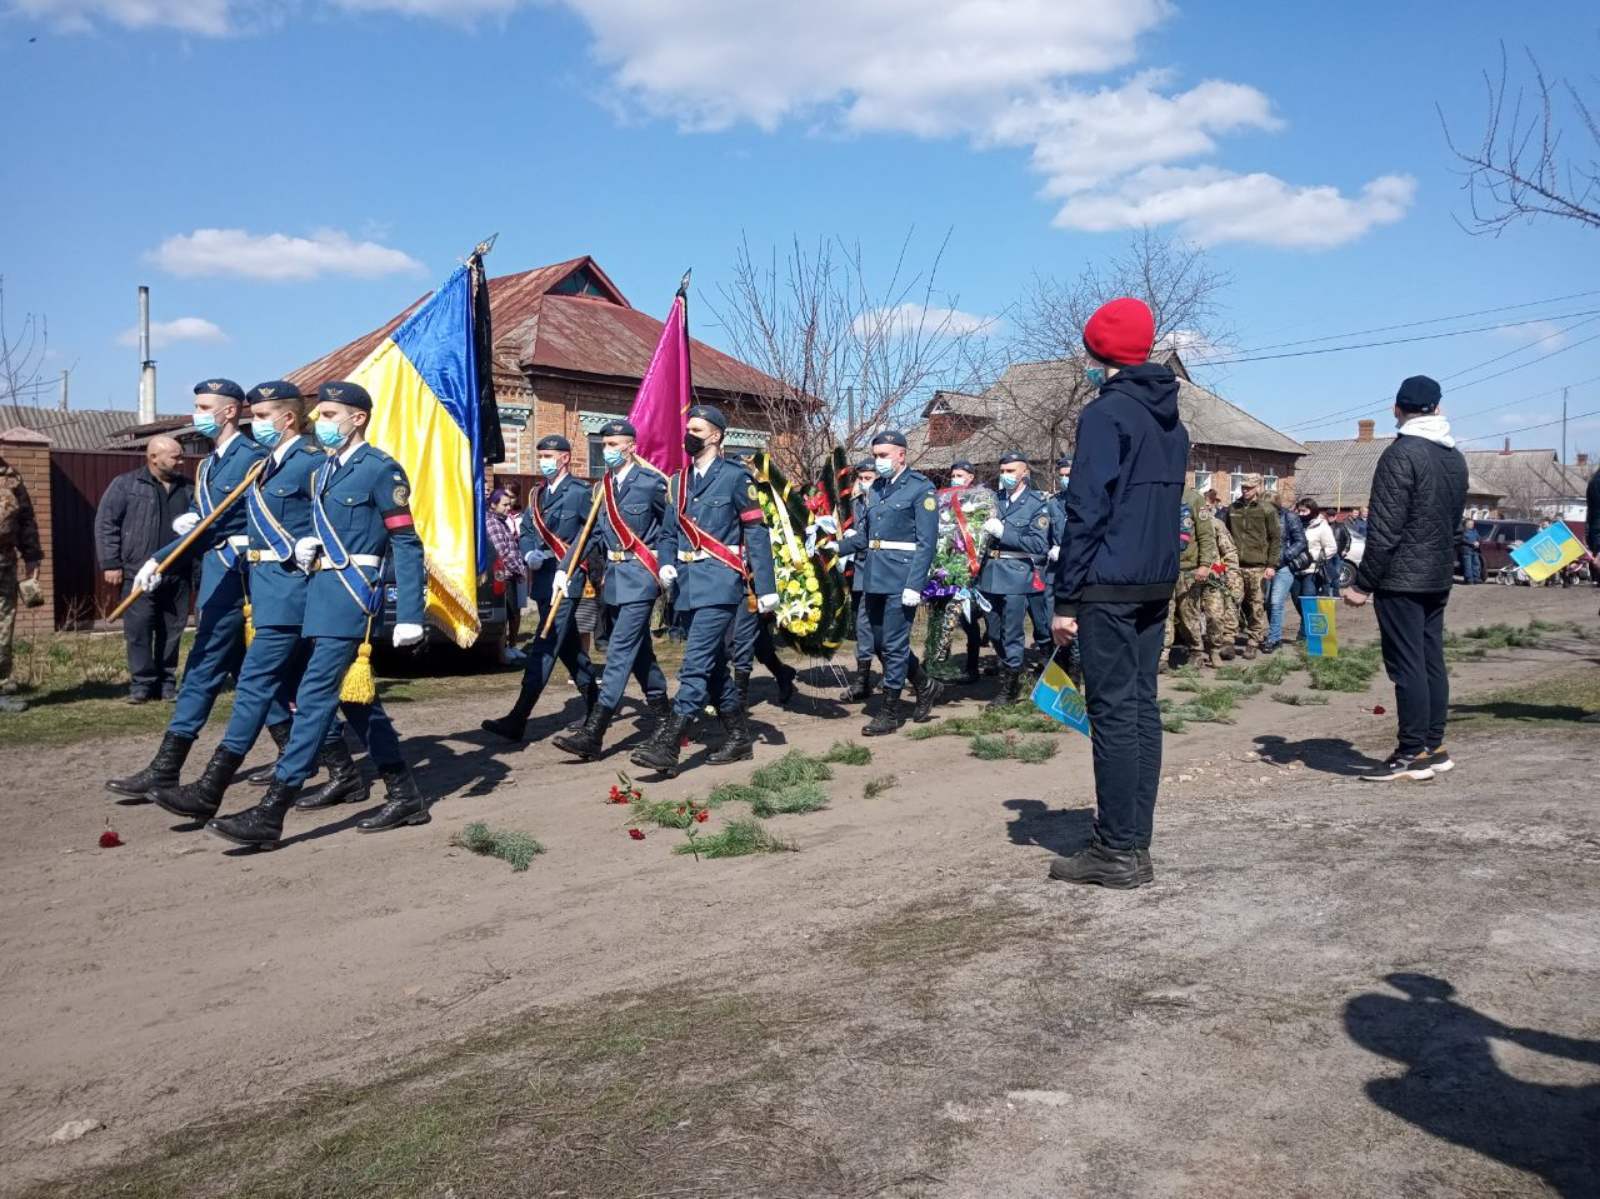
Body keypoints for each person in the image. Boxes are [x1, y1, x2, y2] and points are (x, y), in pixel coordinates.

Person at [206, 380, 430, 846]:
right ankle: (404, 792)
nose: (320, 424)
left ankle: (273, 811)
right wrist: (305, 546)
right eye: (320, 415)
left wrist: (411, 611)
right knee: (356, 702)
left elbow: (406, 543)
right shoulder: (324, 471)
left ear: (358, 418)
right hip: (317, 595)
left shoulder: (380, 470)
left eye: (329, 416)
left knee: (313, 699)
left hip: (350, 598)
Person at [146, 381, 380, 824]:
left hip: (300, 591)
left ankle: (215, 789)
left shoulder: (312, 463)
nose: (254, 424)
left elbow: (339, 518)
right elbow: (241, 524)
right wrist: (164, 556)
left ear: (287, 418)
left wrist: (309, 541)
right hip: (266, 590)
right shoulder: (266, 466)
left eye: (259, 415)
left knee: (271, 686)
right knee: (298, 689)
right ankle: (354, 771)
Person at [1048, 296, 1188, 890]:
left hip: (1107, 581)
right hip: (1154, 579)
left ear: (1096, 350)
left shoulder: (1106, 416)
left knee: (1111, 714)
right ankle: (1135, 842)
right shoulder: (1170, 419)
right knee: (1139, 708)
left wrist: (1066, 598)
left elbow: (1086, 508)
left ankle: (1116, 850)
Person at [105, 379, 270, 798]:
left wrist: (159, 557)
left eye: (203, 406)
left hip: (242, 580)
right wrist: (165, 552)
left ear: (229, 411)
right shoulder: (210, 463)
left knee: (246, 672)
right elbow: (201, 518)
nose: (196, 413)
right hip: (217, 575)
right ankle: (166, 766)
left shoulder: (250, 458)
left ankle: (331, 760)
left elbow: (226, 522)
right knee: (212, 667)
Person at [629, 405, 778, 775]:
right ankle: (739, 736)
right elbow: (667, 532)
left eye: (696, 429)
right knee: (712, 669)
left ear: (715, 436)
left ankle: (669, 743)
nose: (688, 434)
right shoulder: (678, 482)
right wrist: (665, 561)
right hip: (688, 586)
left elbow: (756, 534)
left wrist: (766, 585)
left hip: (721, 583)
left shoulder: (736, 478)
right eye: (688, 428)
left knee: (694, 664)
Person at [1344, 375, 1468, 783]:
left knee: (1407, 666)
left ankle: (1412, 752)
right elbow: (1454, 525)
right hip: (1437, 574)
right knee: (1432, 660)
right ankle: (1435, 745)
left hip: (1401, 578)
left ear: (1397, 409)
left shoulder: (1401, 454)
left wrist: (1363, 584)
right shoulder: (1454, 456)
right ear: (1437, 408)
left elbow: (1384, 531)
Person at [551, 420, 674, 761]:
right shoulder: (600, 489)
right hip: (614, 580)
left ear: (631, 446)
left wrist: (666, 563)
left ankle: (594, 733)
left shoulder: (651, 485)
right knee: (640, 653)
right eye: (604, 445)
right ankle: (666, 715)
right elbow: (588, 535)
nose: (608, 451)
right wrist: (564, 570)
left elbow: (670, 529)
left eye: (614, 444)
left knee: (619, 651)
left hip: (641, 577)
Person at [481, 435, 600, 742]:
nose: (543, 460)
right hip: (544, 580)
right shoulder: (537, 494)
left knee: (544, 646)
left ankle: (518, 719)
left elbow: (591, 536)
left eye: (548, 455)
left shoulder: (579, 493)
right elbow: (530, 531)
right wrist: (530, 552)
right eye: (540, 455)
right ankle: (598, 708)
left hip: (567, 580)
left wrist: (566, 567)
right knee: (572, 651)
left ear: (564, 458)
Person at [834, 430, 941, 736]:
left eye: (883, 455)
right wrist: (833, 547)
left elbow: (927, 543)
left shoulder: (921, 489)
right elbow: (866, 537)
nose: (878, 461)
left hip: (902, 578)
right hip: (875, 577)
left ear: (901, 455)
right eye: (876, 455)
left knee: (893, 646)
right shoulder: (877, 489)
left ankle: (890, 711)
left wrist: (914, 584)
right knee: (880, 643)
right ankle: (925, 683)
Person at [94, 436, 195, 704]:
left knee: (172, 630)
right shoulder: (126, 485)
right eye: (175, 456)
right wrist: (111, 563)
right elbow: (107, 524)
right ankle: (142, 684)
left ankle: (167, 683)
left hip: (178, 573)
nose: (181, 461)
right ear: (153, 457)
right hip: (137, 572)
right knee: (138, 630)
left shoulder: (188, 488)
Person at [977, 452, 1052, 707]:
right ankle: (1012, 670)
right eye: (1003, 471)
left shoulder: (1036, 504)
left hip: (1017, 573)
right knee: (995, 631)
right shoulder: (992, 500)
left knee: (1012, 632)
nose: (1006, 476)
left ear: (1024, 474)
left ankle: (1010, 687)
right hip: (989, 574)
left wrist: (1004, 532)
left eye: (1011, 471)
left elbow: (1038, 544)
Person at [0, 451, 44, 713]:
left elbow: (26, 520)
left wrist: (32, 557)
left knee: (3, 630)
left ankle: (2, 689)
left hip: (3, 566)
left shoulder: (10, 477)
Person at [1163, 482, 1218, 667]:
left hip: (1188, 568)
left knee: (1189, 613)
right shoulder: (1159, 494)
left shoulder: (1194, 498)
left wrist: (1204, 565)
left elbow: (1206, 535)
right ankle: (1162, 655)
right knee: (1164, 613)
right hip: (1163, 568)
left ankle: (1196, 650)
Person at [1226, 474, 1280, 659]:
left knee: (1256, 605)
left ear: (1258, 487)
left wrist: (1271, 564)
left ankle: (1253, 641)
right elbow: (1225, 534)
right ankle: (1228, 641)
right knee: (1232, 601)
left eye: (1249, 487)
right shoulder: (1233, 508)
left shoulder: (1267, 510)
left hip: (1258, 566)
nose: (1245, 490)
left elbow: (1275, 539)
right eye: (1243, 487)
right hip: (1235, 565)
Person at [844, 461, 880, 700]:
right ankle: (862, 681)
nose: (864, 482)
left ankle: (895, 673)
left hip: (880, 571)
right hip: (859, 572)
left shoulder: (883, 503)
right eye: (861, 477)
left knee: (882, 628)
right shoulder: (854, 504)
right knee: (863, 626)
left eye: (869, 477)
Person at [946, 460, 984, 685]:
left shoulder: (979, 500)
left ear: (970, 478)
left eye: (960, 475)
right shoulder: (946, 500)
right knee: (946, 617)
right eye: (953, 474)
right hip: (948, 566)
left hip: (972, 567)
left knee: (970, 618)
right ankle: (941, 663)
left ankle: (972, 667)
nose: (955, 478)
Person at [484, 487, 526, 664]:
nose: (508, 508)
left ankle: (511, 646)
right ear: (493, 505)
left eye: (510, 504)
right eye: (504, 504)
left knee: (514, 612)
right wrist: (520, 568)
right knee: (507, 612)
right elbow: (502, 552)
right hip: (505, 574)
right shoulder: (492, 523)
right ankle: (503, 650)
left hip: (512, 574)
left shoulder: (502, 521)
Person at [1264, 497, 1305, 653]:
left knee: (1276, 602)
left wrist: (1283, 558)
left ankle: (1273, 638)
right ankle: (1275, 635)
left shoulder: (1289, 517)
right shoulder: (1262, 517)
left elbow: (1301, 541)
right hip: (1265, 566)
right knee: (1267, 602)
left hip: (1283, 567)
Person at [1295, 498, 1338, 634]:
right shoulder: (1296, 524)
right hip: (1295, 569)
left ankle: (1306, 633)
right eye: (1299, 511)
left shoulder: (1322, 526)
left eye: (1304, 511)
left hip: (1312, 570)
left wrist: (1314, 558)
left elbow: (1331, 548)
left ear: (1312, 510)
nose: (1301, 514)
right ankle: (1307, 625)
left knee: (1308, 600)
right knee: (1297, 600)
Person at [1204, 517, 1243, 661]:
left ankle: (1228, 641)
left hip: (1216, 574)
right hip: (1192, 574)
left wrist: (1231, 574)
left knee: (1225, 607)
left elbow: (1229, 551)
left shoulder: (1215, 524)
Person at [1457, 518, 1484, 585]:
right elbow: (1462, 540)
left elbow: (1479, 538)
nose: (1471, 525)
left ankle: (1476, 579)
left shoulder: (1475, 531)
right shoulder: (1463, 531)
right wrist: (1471, 543)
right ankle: (1469, 580)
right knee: (1468, 566)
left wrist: (1478, 542)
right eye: (1470, 524)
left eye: (1472, 524)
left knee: (1476, 564)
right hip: (1466, 550)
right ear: (1466, 524)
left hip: (1475, 550)